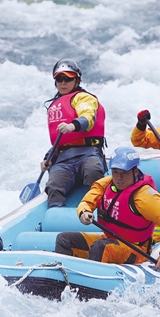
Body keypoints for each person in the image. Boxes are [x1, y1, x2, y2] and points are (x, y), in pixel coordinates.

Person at [54, 146, 160, 271]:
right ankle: (62, 276)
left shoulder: (145, 197)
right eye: (115, 172)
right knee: (64, 239)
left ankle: (90, 278)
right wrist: (84, 212)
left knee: (101, 247)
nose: (119, 178)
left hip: (136, 249)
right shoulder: (104, 184)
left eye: (124, 173)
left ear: (135, 172)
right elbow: (86, 202)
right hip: (110, 240)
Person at [42, 58, 106, 208]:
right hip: (64, 159)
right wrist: (49, 158)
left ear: (77, 80)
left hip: (88, 153)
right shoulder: (55, 106)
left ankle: (100, 209)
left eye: (68, 78)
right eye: (59, 79)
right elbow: (59, 142)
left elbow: (88, 116)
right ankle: (56, 215)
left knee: (93, 171)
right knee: (53, 185)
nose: (63, 83)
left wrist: (73, 126)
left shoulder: (84, 98)